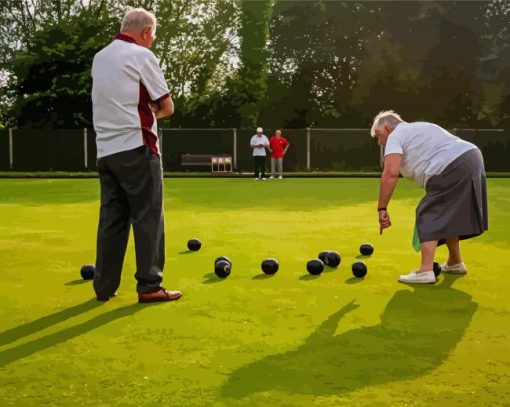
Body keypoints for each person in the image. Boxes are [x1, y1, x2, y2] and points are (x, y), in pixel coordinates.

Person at [91, 8, 182, 303]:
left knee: (112, 219)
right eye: (152, 35)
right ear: (145, 32)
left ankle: (104, 287)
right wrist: (156, 110)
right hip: (137, 145)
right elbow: (166, 105)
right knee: (148, 216)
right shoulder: (142, 56)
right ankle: (150, 286)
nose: (152, 41)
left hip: (106, 151)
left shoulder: (100, 57)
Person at [371, 110, 488, 284]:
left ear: (388, 128)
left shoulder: (396, 135)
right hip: (472, 158)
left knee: (427, 213)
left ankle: (425, 271)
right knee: (449, 214)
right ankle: (455, 262)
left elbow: (390, 173)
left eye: (379, 136)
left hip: (453, 165)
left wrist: (382, 208)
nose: (380, 142)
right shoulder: (420, 127)